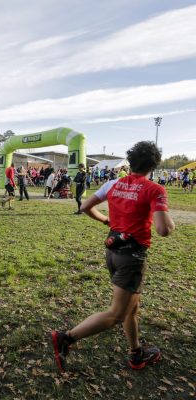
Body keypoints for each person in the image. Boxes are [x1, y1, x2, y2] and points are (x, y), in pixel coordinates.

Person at [51, 141, 175, 372]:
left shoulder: (112, 183)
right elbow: (163, 230)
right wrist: (170, 222)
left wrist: (107, 221)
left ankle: (136, 353)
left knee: (132, 308)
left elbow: (86, 206)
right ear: (152, 166)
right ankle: (66, 338)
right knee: (117, 314)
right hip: (132, 257)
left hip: (113, 251)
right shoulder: (154, 189)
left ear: (130, 161)